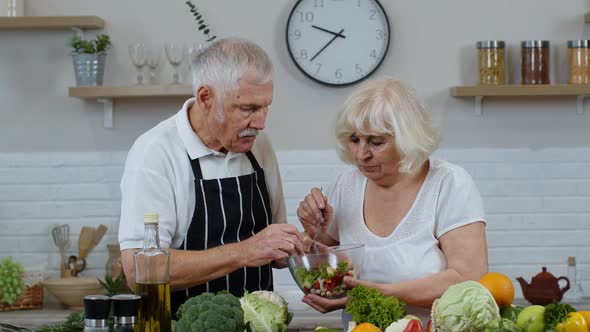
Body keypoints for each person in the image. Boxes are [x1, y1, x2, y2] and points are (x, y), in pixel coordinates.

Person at [118, 37, 309, 317]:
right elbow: (139, 271)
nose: (261, 123)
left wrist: (307, 241)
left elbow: (274, 251)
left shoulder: (260, 146)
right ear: (206, 98)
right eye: (247, 109)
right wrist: (244, 252)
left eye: (265, 106)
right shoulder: (155, 153)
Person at [297, 78, 488, 323]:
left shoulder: (449, 183)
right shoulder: (346, 184)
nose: (362, 154)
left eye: (376, 142)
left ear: (408, 138)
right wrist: (313, 234)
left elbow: (468, 279)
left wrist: (379, 293)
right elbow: (329, 268)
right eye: (355, 140)